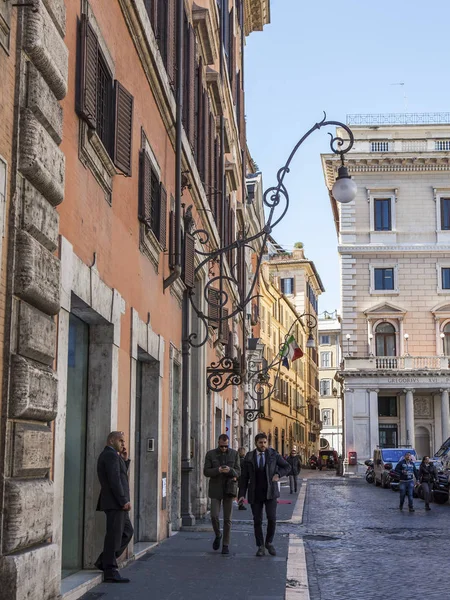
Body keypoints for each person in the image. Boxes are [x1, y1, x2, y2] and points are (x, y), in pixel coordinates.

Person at [238, 432, 291, 557]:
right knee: (257, 520)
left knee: (272, 519)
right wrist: (241, 494)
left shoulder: (273, 454)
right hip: (255, 493)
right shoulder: (249, 457)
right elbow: (244, 477)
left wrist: (278, 474)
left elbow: (287, 467)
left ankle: (269, 542)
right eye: (260, 442)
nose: (263, 445)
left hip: (270, 492)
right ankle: (260, 546)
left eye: (264, 442)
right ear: (256, 443)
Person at [95, 431, 133, 583]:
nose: (123, 444)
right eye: (121, 441)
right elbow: (114, 480)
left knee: (127, 532)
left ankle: (104, 561)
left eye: (124, 442)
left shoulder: (114, 456)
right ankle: (110, 570)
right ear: (111, 440)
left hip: (117, 503)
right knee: (113, 537)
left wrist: (124, 460)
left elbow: (119, 474)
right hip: (115, 503)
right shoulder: (110, 455)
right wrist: (123, 500)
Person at [204, 434, 240, 555]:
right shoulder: (210, 454)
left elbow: (239, 472)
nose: (224, 448)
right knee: (214, 516)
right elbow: (206, 471)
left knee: (227, 519)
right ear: (218, 443)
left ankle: (225, 544)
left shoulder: (234, 454)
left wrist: (230, 470)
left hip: (229, 489)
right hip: (215, 489)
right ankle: (218, 534)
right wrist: (217, 470)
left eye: (226, 446)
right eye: (222, 446)